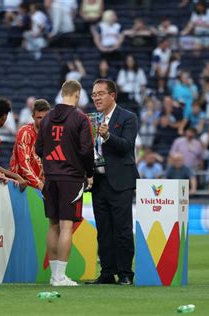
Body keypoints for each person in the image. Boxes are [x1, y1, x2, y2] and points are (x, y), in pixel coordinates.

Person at [35, 80, 94, 286]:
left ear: (62, 93)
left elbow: (38, 148)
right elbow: (87, 149)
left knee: (53, 225)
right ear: (77, 95)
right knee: (66, 227)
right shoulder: (80, 118)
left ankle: (54, 275)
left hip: (50, 176)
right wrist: (89, 172)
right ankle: (60, 276)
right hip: (71, 177)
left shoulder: (48, 117)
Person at [86, 79, 139, 286]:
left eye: (100, 93)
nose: (96, 98)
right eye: (93, 94)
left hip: (121, 182)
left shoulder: (128, 117)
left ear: (112, 96)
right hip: (98, 181)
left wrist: (107, 136)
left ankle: (126, 273)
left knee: (123, 229)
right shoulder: (90, 120)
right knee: (104, 230)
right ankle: (107, 273)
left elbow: (127, 146)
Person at [10, 99, 51, 189]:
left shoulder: (51, 134)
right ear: (33, 116)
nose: (43, 121)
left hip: (40, 185)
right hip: (22, 185)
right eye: (39, 118)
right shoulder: (25, 132)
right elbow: (24, 162)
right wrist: (38, 183)